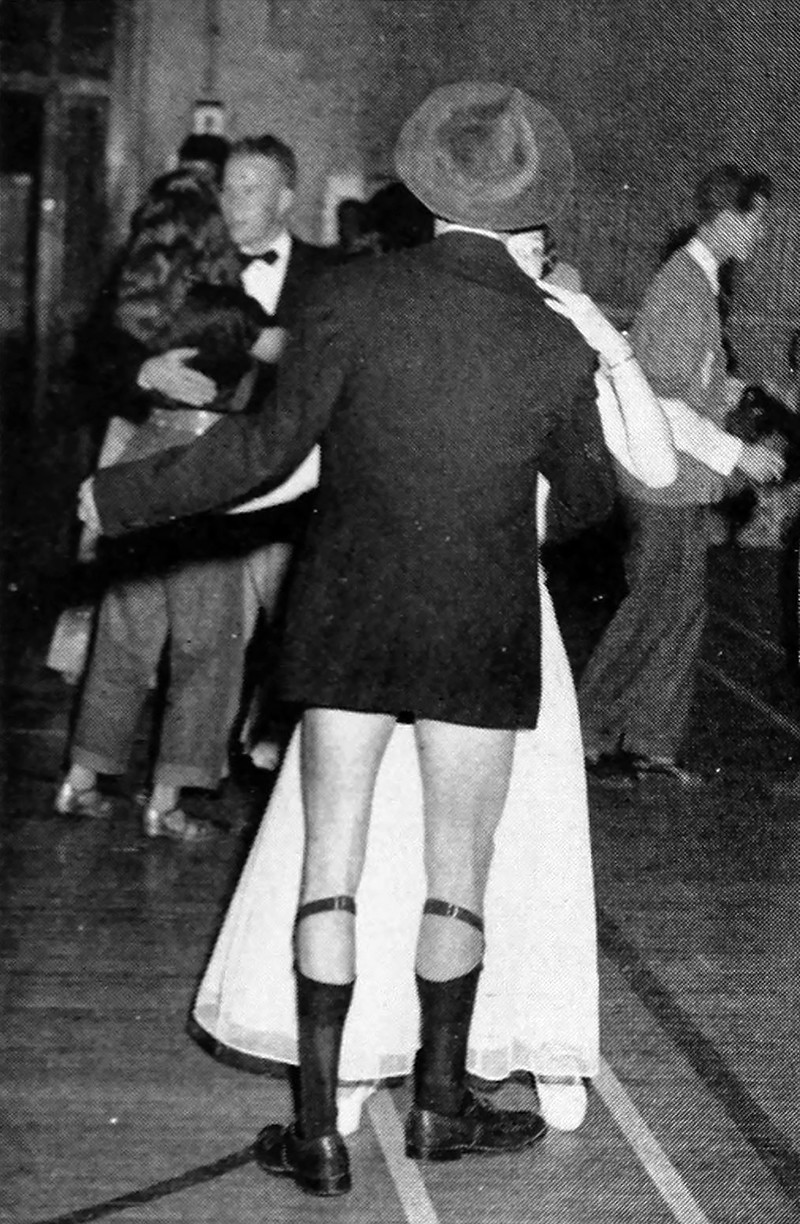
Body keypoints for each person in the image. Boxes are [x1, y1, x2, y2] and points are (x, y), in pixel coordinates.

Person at [79, 82, 678, 1196]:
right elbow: (594, 503)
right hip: (478, 622)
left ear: (427, 185)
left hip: (349, 614)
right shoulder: (550, 339)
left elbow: (262, 452)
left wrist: (121, 496)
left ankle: (315, 1132)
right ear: (528, 201)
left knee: (332, 864)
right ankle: (442, 1107)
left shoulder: (348, 299)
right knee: (456, 876)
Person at [55, 137, 273, 842]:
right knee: (210, 641)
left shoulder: (135, 308)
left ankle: (81, 778)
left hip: (141, 456)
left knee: (124, 631)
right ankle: (168, 799)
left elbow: (95, 361)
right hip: (203, 465)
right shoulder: (228, 308)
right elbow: (290, 354)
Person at [579, 164, 784, 788]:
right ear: (726, 220)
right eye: (755, 223)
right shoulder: (682, 288)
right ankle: (587, 735)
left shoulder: (700, 283)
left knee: (678, 610)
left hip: (679, 480)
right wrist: (737, 455)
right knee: (655, 609)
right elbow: (662, 400)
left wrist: (736, 390)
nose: (760, 236)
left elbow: (691, 381)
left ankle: (648, 744)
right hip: (661, 480)